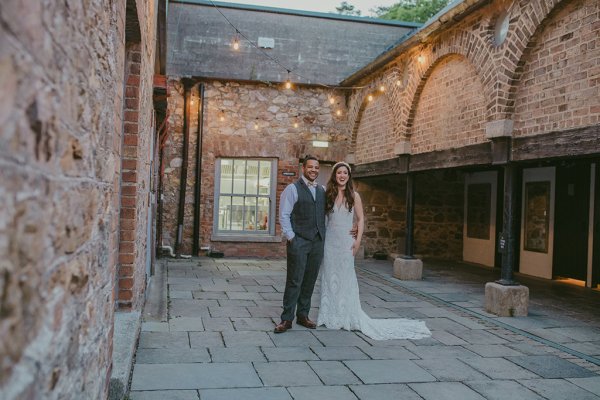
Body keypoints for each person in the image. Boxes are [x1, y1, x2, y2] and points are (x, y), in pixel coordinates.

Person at [317, 161, 431, 340]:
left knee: (346, 277)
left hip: (346, 243)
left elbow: (361, 219)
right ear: (334, 175)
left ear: (349, 176)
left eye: (345, 173)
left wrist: (358, 240)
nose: (342, 176)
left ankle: (346, 315)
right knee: (329, 276)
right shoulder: (327, 194)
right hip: (330, 243)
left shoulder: (355, 196)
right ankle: (330, 314)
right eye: (339, 172)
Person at [275, 155, 326, 333]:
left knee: (310, 280)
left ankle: (303, 315)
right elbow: (284, 215)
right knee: (294, 281)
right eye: (310, 167)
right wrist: (291, 237)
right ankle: (286, 319)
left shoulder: (322, 190)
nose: (314, 170)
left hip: (317, 243)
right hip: (299, 241)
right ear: (303, 168)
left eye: (317, 167)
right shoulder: (292, 189)